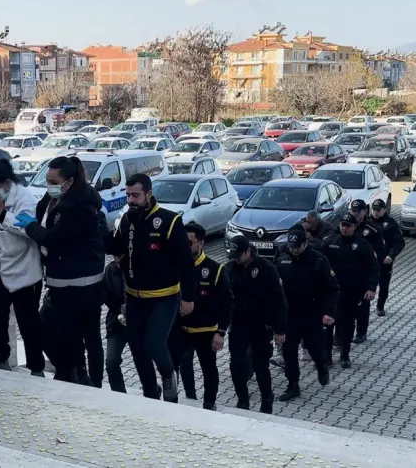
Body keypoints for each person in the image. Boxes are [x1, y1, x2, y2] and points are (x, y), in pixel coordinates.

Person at [13, 156, 105, 384]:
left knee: (84, 335)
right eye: (47, 180)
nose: (49, 185)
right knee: (54, 331)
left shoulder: (82, 207)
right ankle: (70, 371)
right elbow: (44, 222)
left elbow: (56, 239)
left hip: (82, 283)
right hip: (60, 280)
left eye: (53, 181)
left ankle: (88, 382)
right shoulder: (53, 198)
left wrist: (31, 227)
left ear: (69, 181)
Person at [108, 173, 195, 402]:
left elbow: (186, 262)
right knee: (137, 348)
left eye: (136, 195)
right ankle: (150, 392)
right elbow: (115, 247)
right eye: (128, 195)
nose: (131, 200)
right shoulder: (127, 220)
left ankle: (169, 378)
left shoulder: (169, 221)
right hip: (134, 297)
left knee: (155, 344)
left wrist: (188, 297)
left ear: (148, 194)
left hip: (164, 297)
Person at [0, 159, 45, 376]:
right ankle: (2, 360)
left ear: (7, 183)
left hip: (24, 270)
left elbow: (27, 231)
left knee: (28, 322)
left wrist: (3, 213)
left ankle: (36, 368)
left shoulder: (25, 199)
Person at [171, 223, 233, 411]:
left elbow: (227, 303)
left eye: (189, 243)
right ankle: (175, 399)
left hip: (206, 330)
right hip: (179, 328)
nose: (185, 246)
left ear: (201, 243)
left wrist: (221, 332)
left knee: (209, 368)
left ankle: (209, 403)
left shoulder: (215, 270)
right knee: (172, 365)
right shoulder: (175, 266)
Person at [275, 228, 339, 402]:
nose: (293, 249)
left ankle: (321, 367)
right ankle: (293, 385)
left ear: (305, 243)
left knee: (314, 348)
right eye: (291, 246)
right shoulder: (282, 259)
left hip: (312, 313)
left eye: (297, 246)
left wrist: (329, 312)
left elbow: (333, 289)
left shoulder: (319, 261)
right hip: (290, 315)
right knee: (289, 352)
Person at [225, 235, 287, 414]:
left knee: (260, 365)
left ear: (248, 251)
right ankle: (242, 399)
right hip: (238, 324)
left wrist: (280, 329)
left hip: (261, 325)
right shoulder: (229, 268)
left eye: (238, 255)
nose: (236, 259)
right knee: (236, 364)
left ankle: (267, 398)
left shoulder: (266, 268)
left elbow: (279, 301)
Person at [321, 213, 379, 369]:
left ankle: (345, 355)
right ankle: (326, 357)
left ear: (355, 227)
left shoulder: (363, 246)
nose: (344, 228)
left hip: (352, 292)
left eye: (348, 225)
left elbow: (373, 268)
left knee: (347, 324)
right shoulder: (329, 243)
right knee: (327, 324)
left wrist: (371, 288)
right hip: (331, 292)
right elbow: (319, 265)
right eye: (343, 225)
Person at [349, 199, 386, 344]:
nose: (355, 214)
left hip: (363, 274)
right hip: (347, 273)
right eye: (353, 211)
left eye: (358, 211)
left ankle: (361, 332)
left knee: (362, 305)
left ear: (364, 211)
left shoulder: (372, 230)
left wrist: (373, 281)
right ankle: (341, 333)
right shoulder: (345, 226)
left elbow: (380, 254)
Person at [370, 198, 404, 317]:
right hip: (369, 261)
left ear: (384, 210)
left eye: (378, 210)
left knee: (383, 285)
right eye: (374, 209)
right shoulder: (367, 223)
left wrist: (391, 255)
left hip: (385, 261)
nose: (376, 212)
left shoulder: (391, 223)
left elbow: (399, 242)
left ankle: (380, 306)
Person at [103, 257, 128, 393]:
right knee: (111, 362)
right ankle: (120, 394)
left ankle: (153, 391)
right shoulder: (110, 270)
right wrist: (120, 308)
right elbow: (106, 296)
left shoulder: (141, 266)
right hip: (116, 322)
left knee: (144, 361)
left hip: (140, 322)